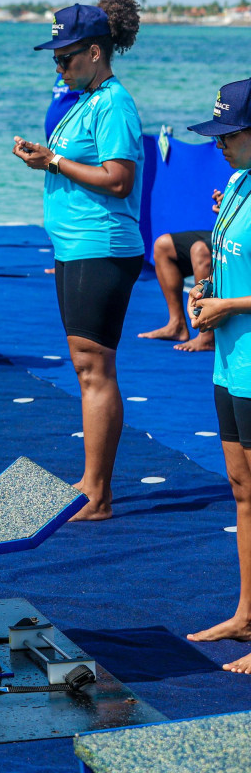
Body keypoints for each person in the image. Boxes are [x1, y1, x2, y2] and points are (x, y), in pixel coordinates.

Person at [11, 0, 143, 522]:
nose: (59, 66)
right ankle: (91, 481)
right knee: (87, 365)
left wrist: (57, 160)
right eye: (54, 59)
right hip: (76, 246)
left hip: (102, 246)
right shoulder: (85, 100)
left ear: (94, 52)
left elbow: (119, 180)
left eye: (65, 57)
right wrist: (44, 160)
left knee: (95, 368)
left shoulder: (113, 102)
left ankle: (99, 493)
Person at [182, 79, 251, 673]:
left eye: (230, 134)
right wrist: (209, 292)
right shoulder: (235, 183)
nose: (220, 145)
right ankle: (247, 611)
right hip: (230, 361)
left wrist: (230, 306)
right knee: (241, 488)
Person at [138, 208, 218, 352]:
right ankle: (177, 325)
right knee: (164, 245)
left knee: (201, 250)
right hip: (230, 230)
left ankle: (207, 335)